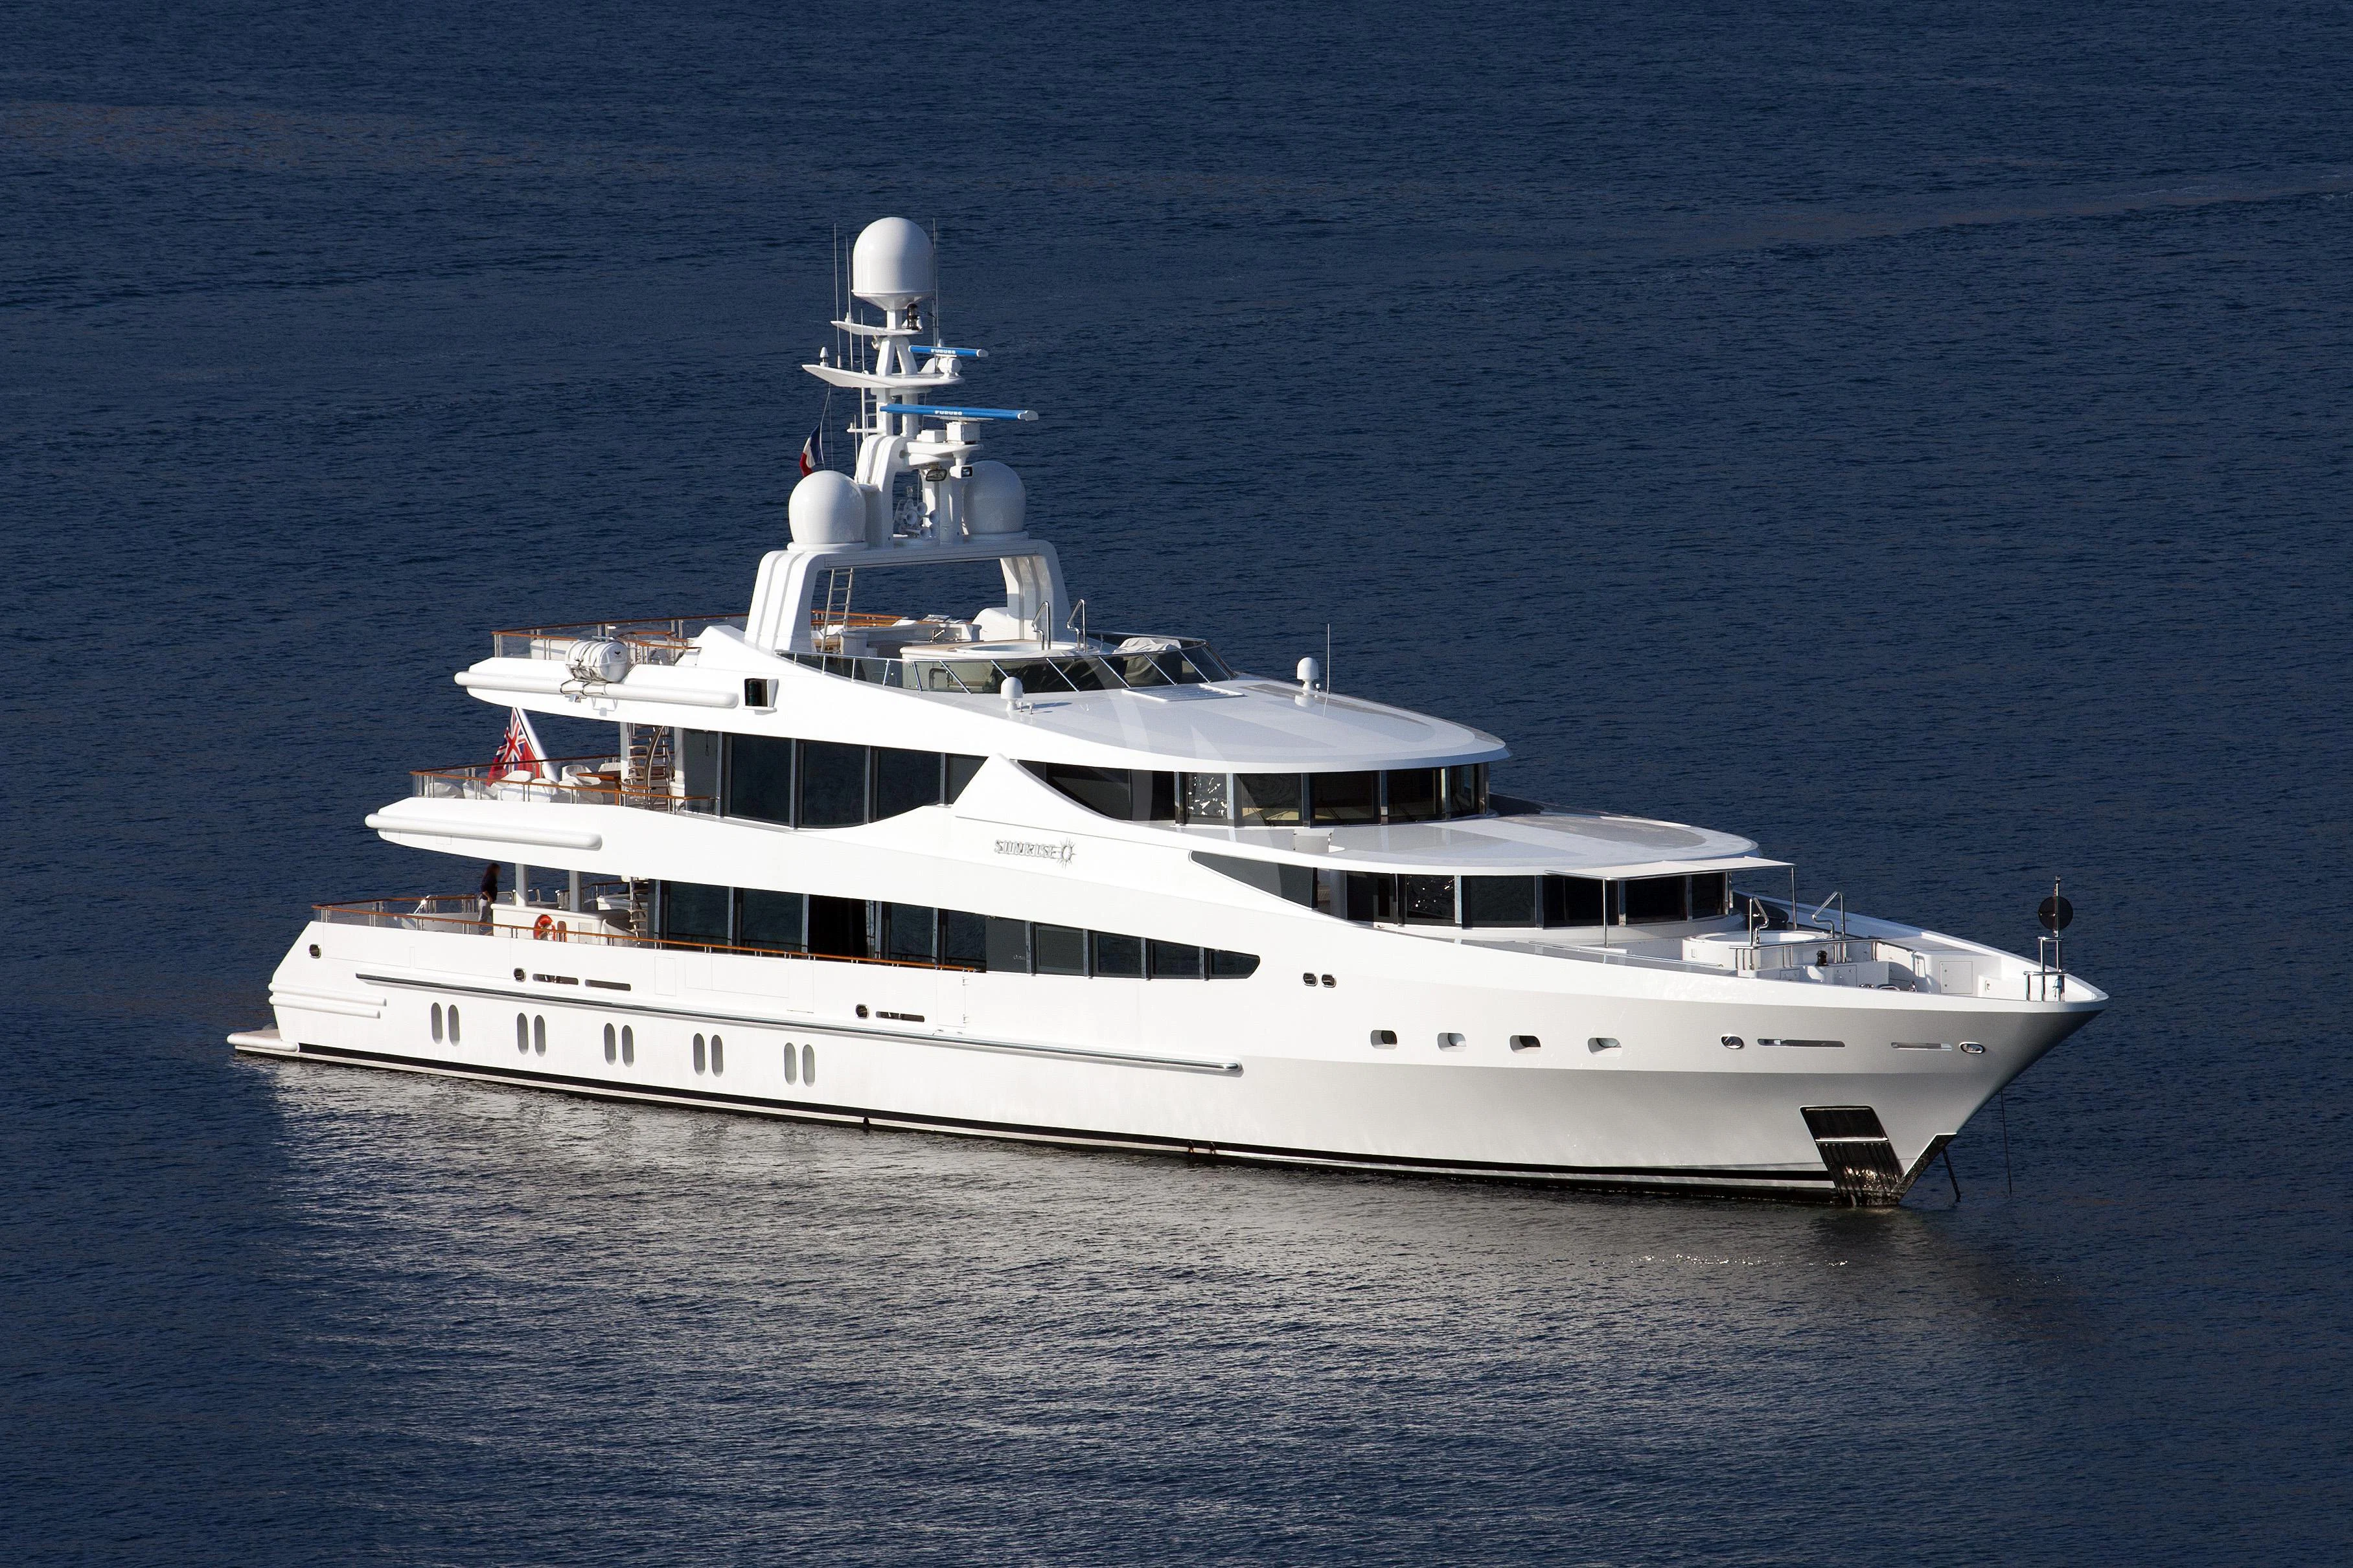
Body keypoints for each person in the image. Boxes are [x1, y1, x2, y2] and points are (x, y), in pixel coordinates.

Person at [479, 862, 500, 926]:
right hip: (486, 901)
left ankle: (494, 930)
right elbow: (483, 888)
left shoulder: (492, 877)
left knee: (495, 917)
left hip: (491, 901)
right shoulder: (490, 878)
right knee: (483, 919)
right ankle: (476, 931)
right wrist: (489, 897)